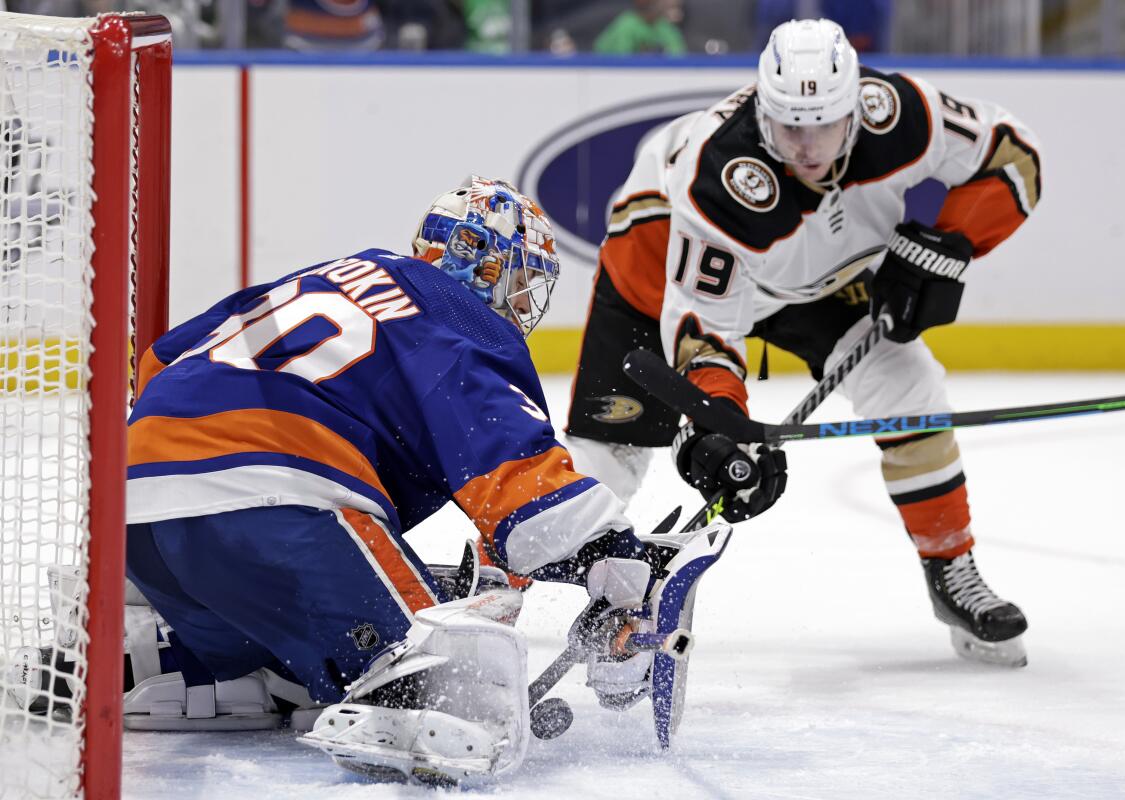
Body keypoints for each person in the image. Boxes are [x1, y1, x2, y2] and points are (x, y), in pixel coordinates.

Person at [111, 177, 727, 783]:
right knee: (454, 680)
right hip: (275, 502)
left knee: (291, 658)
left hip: (137, 500)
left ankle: (172, 648)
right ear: (489, 269)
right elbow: (517, 471)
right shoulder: (456, 318)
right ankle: (396, 691)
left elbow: (161, 359)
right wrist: (615, 560)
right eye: (522, 283)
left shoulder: (333, 275)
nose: (521, 305)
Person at [563, 18, 1041, 668]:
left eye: (824, 125)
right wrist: (719, 424)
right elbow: (705, 333)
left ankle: (951, 566)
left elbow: (1015, 155)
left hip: (816, 280)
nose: (809, 148)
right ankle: (506, 592)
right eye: (791, 127)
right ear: (764, 111)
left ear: (855, 106)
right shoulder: (721, 181)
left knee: (909, 384)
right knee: (605, 460)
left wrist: (951, 244)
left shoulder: (898, 114)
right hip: (656, 267)